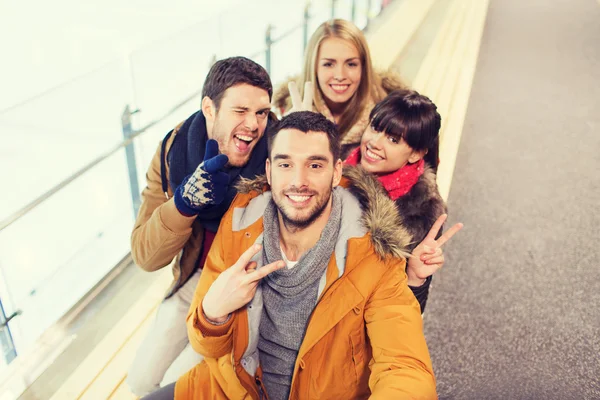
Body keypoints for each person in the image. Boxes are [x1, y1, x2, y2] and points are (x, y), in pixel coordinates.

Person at [142, 111, 437, 399]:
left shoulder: (375, 251)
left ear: (336, 173)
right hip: (232, 388)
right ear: (269, 172)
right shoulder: (239, 223)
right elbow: (206, 347)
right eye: (285, 165)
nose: (299, 181)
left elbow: (406, 367)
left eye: (315, 166)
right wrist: (212, 316)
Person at [127, 56, 275, 396]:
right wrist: (184, 204)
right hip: (194, 277)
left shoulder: (278, 150)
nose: (253, 125)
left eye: (262, 112)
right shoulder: (172, 151)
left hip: (244, 291)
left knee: (178, 388)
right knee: (139, 382)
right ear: (209, 108)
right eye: (240, 111)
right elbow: (145, 256)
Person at [344, 89, 463, 312]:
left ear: (416, 154)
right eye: (375, 128)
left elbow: (408, 312)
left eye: (393, 139)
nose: (375, 143)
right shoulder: (335, 161)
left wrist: (415, 279)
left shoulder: (423, 212)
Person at [273, 18, 406, 158]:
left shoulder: (393, 115)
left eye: (351, 64)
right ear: (314, 68)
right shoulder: (287, 113)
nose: (340, 75)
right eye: (329, 64)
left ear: (363, 67)